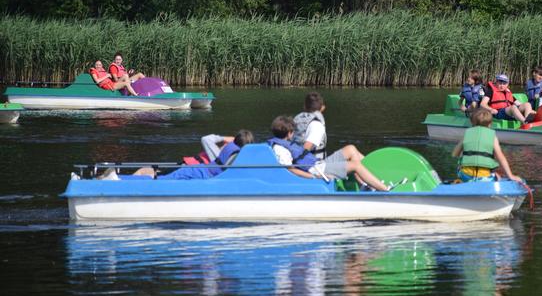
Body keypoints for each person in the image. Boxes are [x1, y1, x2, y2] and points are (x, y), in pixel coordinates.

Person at [268, 115, 392, 191]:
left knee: (350, 149)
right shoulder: (280, 148)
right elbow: (291, 169)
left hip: (317, 165)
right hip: (315, 171)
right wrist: (313, 177)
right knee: (355, 165)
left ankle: (369, 184)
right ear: (289, 132)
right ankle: (385, 191)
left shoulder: (287, 143)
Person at [123, 130, 255, 180]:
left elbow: (206, 139)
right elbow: (206, 139)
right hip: (189, 166)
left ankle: (123, 181)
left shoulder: (222, 153)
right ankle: (123, 182)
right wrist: (226, 139)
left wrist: (225, 138)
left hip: (190, 167)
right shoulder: (224, 154)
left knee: (151, 173)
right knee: (149, 172)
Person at [292, 92, 369, 164]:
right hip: (315, 166)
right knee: (351, 150)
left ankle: (368, 170)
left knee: (353, 152)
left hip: (307, 162)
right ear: (322, 107)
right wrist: (297, 164)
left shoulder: (296, 120)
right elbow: (307, 147)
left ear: (304, 106)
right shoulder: (316, 125)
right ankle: (368, 174)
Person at [452, 108, 522, 182]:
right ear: (490, 124)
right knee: (498, 176)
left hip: (465, 176)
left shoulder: (467, 134)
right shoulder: (493, 137)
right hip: (484, 178)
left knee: (463, 154)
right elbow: (501, 158)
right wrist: (510, 176)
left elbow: (455, 154)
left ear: (472, 122)